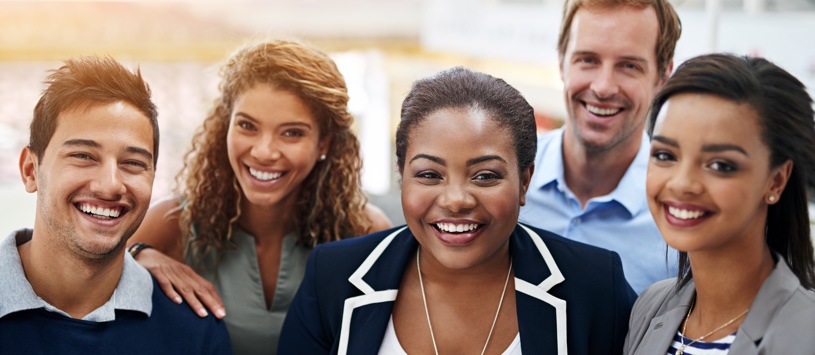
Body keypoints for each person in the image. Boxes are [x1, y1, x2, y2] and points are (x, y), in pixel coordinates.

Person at [278, 67, 636, 355]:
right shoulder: (333, 278)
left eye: (485, 176)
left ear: (524, 181)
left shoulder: (594, 286)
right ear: (402, 176)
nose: (455, 199)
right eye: (430, 174)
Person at [127, 39, 392, 355]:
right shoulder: (172, 224)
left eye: (292, 132)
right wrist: (135, 254)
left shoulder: (365, 233)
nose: (264, 151)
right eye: (247, 126)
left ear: (324, 143)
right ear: (226, 125)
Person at [0, 56, 231, 353]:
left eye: (133, 163)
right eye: (83, 156)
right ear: (31, 171)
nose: (110, 185)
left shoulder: (195, 331)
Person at [623, 54, 815, 354]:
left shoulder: (806, 334)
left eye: (720, 165)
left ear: (776, 181)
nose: (682, 183)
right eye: (665, 155)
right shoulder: (650, 308)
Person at [518, 0, 683, 293]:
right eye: (588, 60)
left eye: (629, 66)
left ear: (662, 77)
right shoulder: (505, 181)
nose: (604, 87)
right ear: (561, 62)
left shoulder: (681, 217)